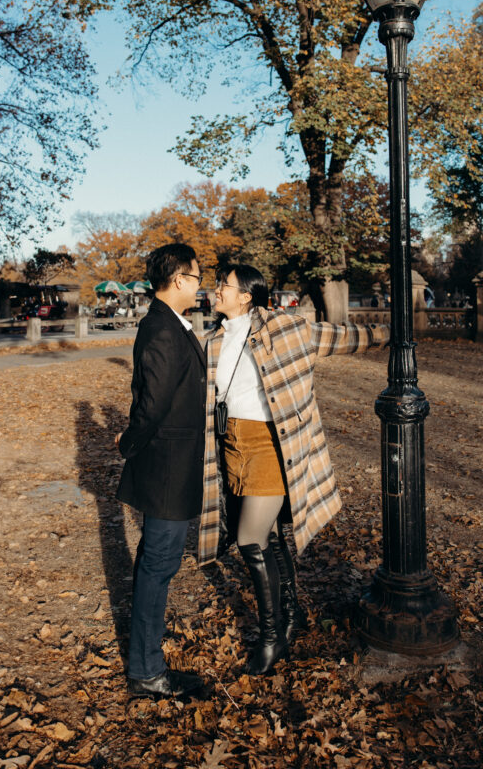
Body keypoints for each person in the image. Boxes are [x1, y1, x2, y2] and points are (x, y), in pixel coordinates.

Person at [198, 263, 387, 675]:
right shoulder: (213, 339)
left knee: (249, 540)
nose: (216, 290)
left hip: (270, 444)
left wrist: (390, 334)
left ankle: (272, 638)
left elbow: (338, 336)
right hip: (232, 443)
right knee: (268, 536)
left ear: (247, 294)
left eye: (223, 285)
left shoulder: (283, 327)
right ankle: (292, 611)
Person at [115, 243, 207, 699]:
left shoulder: (170, 324)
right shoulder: (162, 329)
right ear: (176, 279)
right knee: (159, 564)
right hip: (167, 469)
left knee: (157, 562)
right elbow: (151, 405)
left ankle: (147, 653)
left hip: (174, 464)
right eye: (196, 277)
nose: (200, 284)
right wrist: (128, 444)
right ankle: (147, 670)